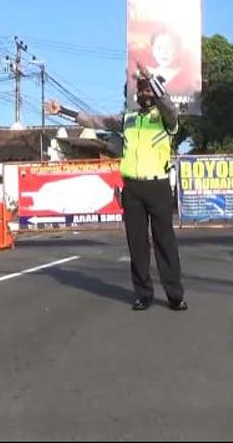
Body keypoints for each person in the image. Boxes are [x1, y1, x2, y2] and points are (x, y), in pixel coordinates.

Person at [45, 62, 186, 311]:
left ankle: (174, 295)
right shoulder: (128, 120)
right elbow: (95, 121)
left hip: (158, 188)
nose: (144, 94)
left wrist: (151, 78)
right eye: (141, 90)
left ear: (156, 91)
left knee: (165, 242)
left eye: (148, 90)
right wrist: (63, 111)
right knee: (137, 244)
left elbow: (168, 105)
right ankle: (143, 294)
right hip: (132, 189)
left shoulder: (167, 119)